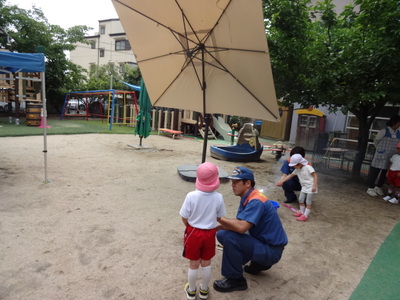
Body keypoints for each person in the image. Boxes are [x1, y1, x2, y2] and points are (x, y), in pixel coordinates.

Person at [213, 167, 288, 293]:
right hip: (267, 245)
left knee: (229, 237)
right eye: (232, 182)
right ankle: (258, 264)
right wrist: (218, 227)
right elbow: (240, 224)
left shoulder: (255, 201)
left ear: (248, 183)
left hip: (271, 251)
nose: (233, 185)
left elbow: (241, 228)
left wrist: (218, 217)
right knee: (222, 233)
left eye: (236, 182)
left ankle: (236, 280)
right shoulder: (250, 197)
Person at [179, 162, 226, 300]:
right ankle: (204, 290)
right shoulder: (218, 197)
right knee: (206, 262)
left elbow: (184, 216)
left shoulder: (191, 196)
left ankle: (192, 291)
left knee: (194, 263)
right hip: (210, 233)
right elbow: (219, 216)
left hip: (193, 232)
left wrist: (189, 226)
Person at [276, 154, 318, 221]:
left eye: (294, 165)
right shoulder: (297, 169)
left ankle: (305, 215)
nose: (293, 167)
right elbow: (289, 176)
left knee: (308, 202)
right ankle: (301, 212)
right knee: (301, 200)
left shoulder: (308, 167)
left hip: (310, 187)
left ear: (299, 164)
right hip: (304, 187)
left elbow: (315, 175)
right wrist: (281, 181)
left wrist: (314, 185)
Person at [367, 115, 400, 197]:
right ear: (395, 122)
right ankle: (370, 187)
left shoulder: (398, 133)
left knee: (385, 172)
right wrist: (379, 149)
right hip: (381, 154)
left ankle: (379, 187)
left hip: (391, 156)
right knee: (375, 170)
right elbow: (376, 141)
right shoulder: (384, 131)